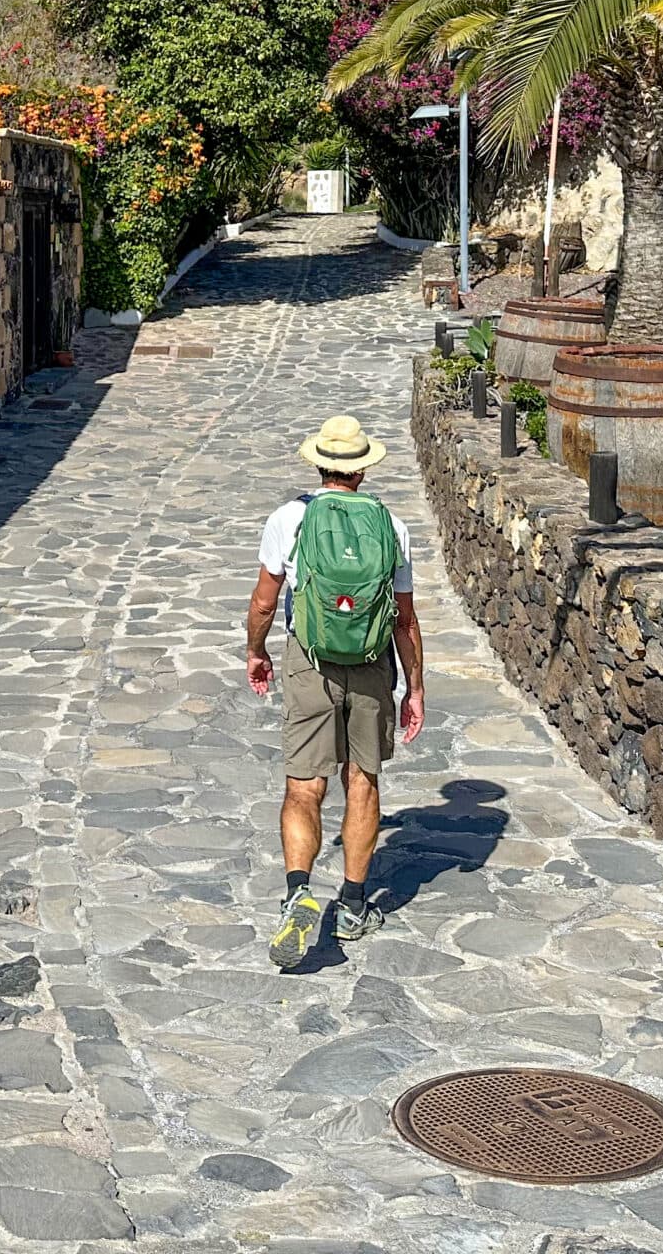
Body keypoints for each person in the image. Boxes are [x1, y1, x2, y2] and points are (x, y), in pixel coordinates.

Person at [245, 413, 425, 969]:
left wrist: (257, 651)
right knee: (362, 781)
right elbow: (404, 620)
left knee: (304, 787)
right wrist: (414, 687)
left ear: (319, 462)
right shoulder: (390, 527)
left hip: (311, 661)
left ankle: (298, 892)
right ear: (363, 471)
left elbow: (264, 602)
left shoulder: (290, 519)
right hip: (372, 666)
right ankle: (351, 906)